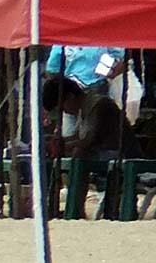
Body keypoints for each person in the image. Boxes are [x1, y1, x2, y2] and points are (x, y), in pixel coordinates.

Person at [41, 74, 141, 218]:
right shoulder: (84, 109)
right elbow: (78, 137)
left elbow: (89, 141)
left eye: (63, 108)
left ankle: (76, 209)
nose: (65, 112)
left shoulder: (98, 105)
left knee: (79, 156)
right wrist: (54, 142)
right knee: (67, 155)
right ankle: (58, 207)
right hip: (104, 154)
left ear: (70, 98)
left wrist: (62, 146)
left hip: (120, 155)